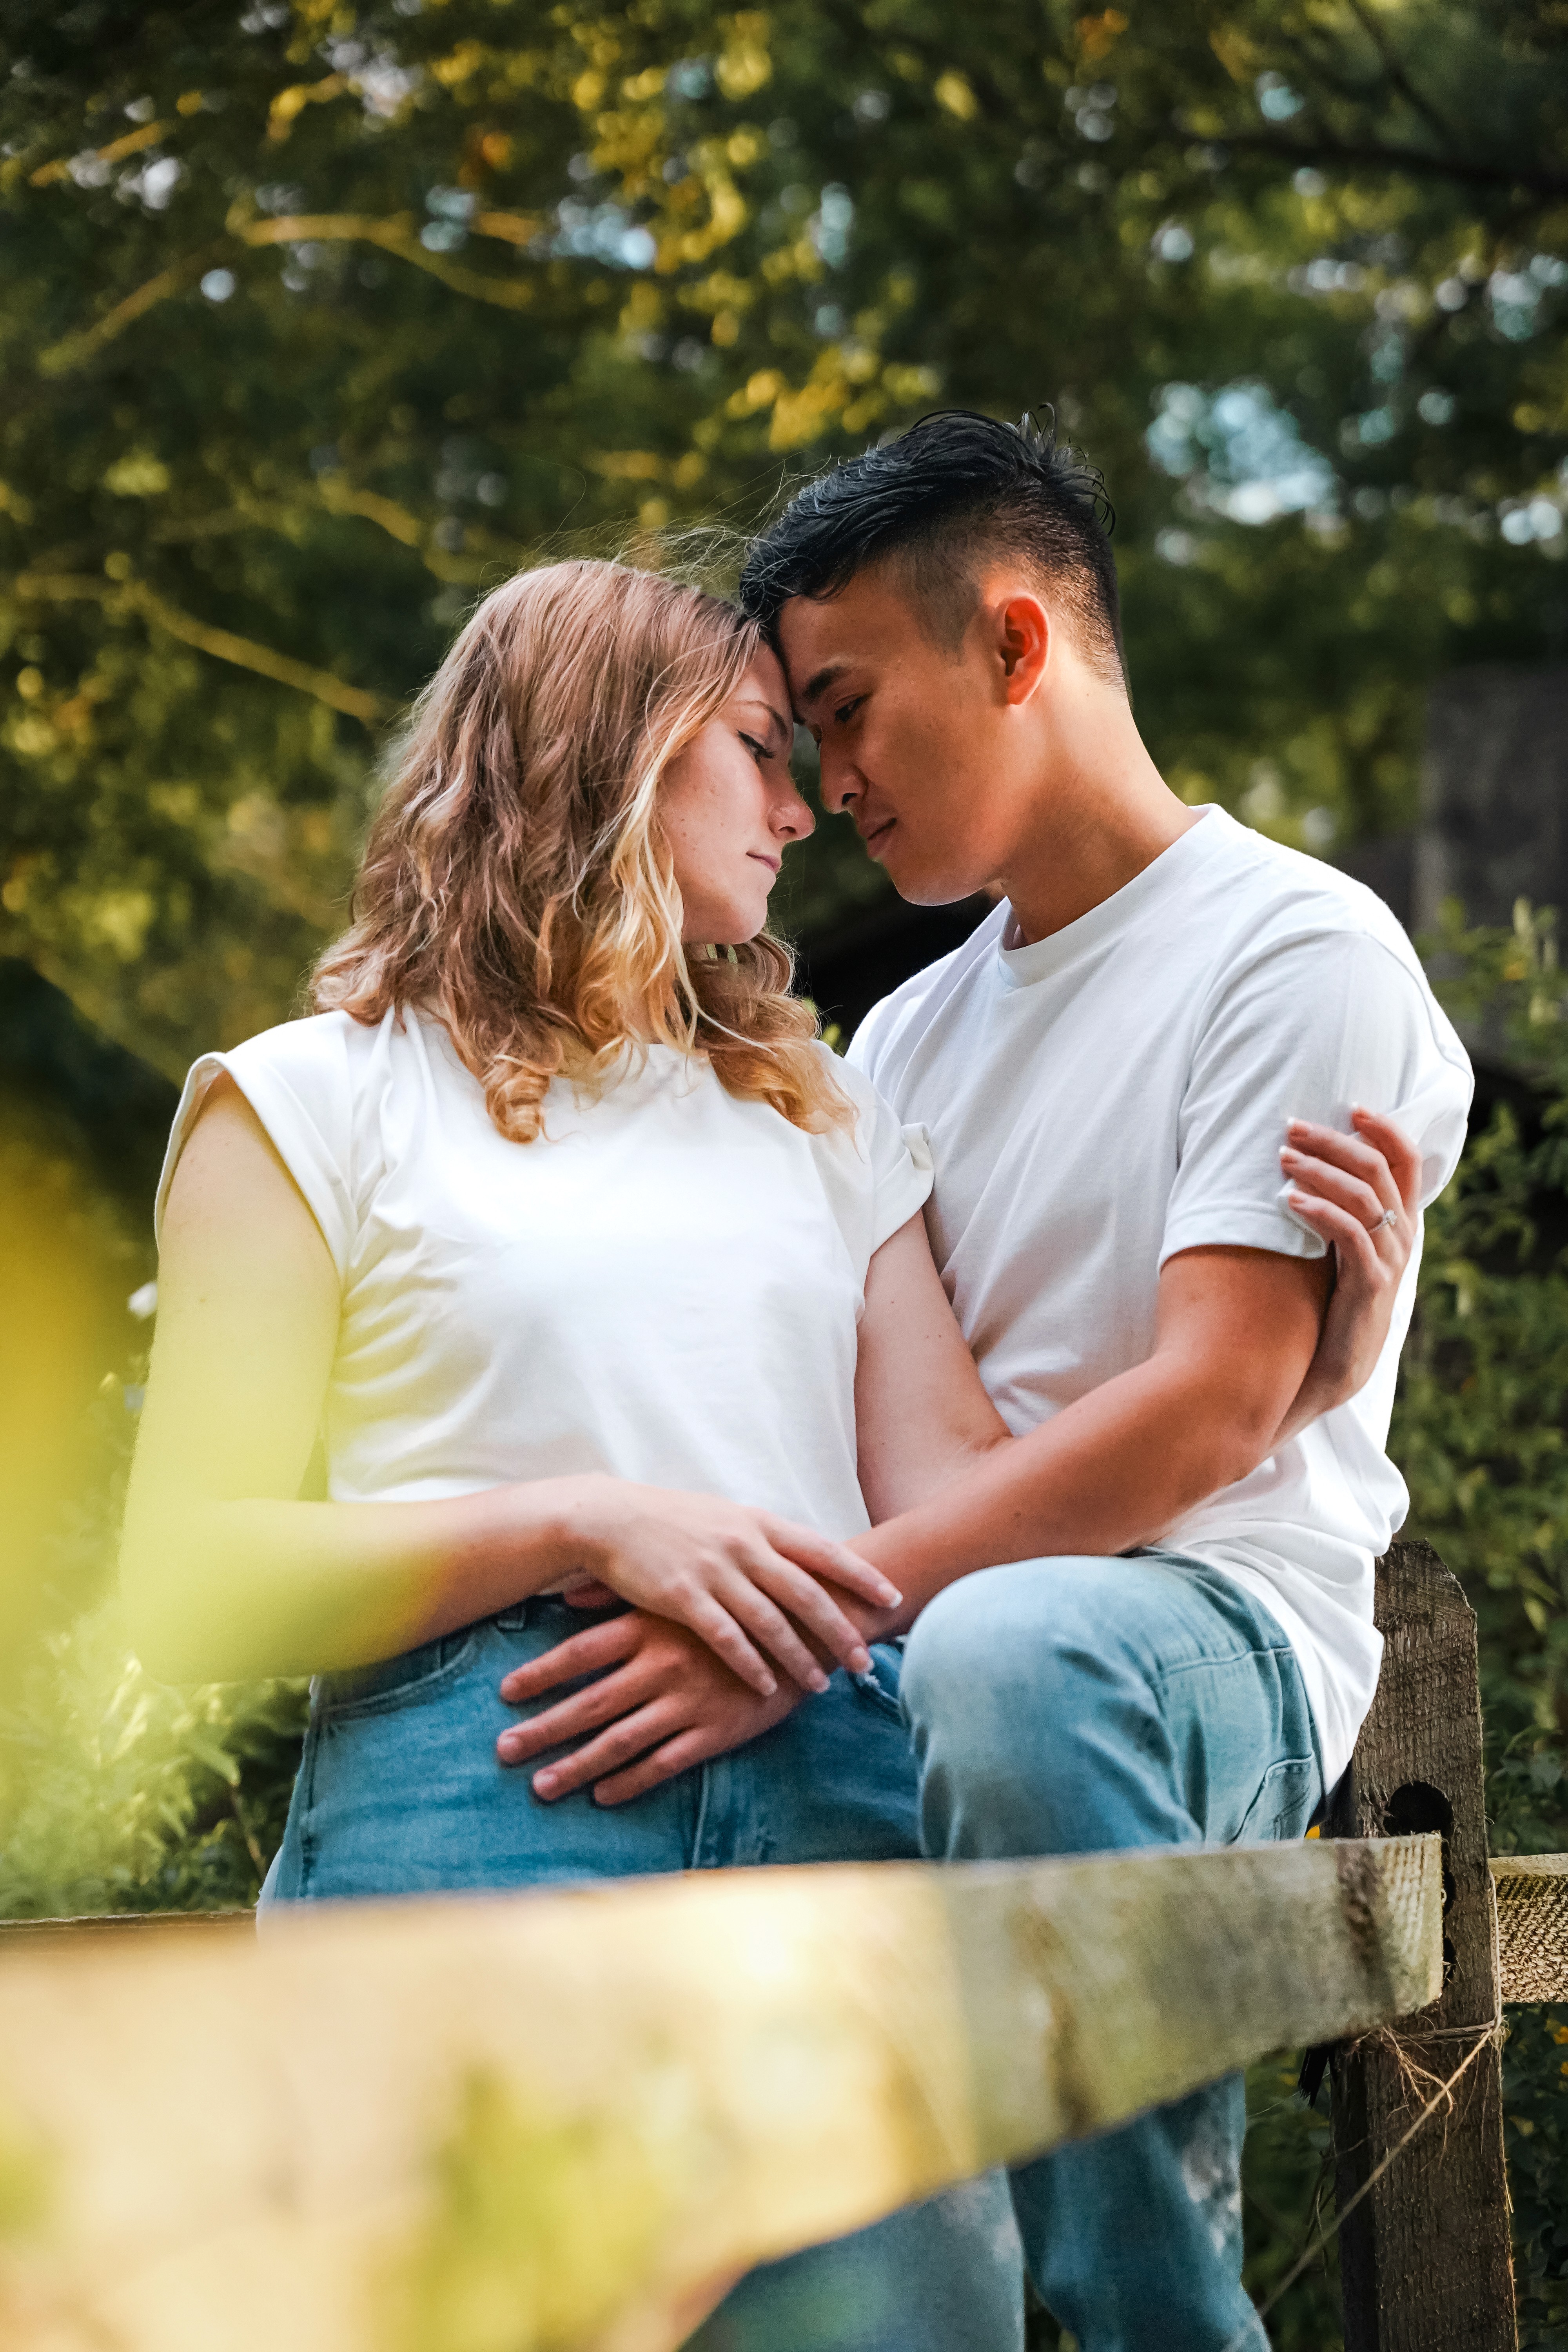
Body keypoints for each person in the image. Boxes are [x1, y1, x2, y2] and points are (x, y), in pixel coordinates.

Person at [125, 550, 1410, 2352]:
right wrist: (584, 1518)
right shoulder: (304, 1099)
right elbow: (188, 1582)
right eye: (757, 747)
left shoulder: (823, 1108)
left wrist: (1303, 1381)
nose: (807, 811)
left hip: (840, 1816)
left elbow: (966, 1507)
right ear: (605, 753)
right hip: (495, 1803)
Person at [492, 416, 1474, 2352]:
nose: (822, 781)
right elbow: (879, 1428)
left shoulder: (1294, 952)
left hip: (1192, 1642)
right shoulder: (907, 1035)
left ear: (1015, 647)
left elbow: (1199, 1416)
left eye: (844, 711)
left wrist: (828, 1615)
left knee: (1014, 1657)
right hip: (927, 1644)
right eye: (789, 736)